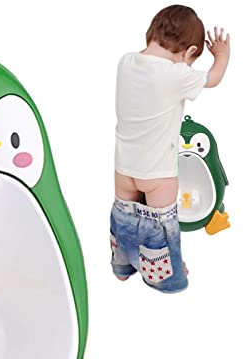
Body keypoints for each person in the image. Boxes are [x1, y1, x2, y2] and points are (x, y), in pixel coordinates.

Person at [110, 4, 230, 292]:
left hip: (124, 168)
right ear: (190, 52)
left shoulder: (126, 62)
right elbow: (213, 79)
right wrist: (222, 56)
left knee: (124, 221)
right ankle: (167, 276)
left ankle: (123, 267)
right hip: (158, 172)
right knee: (162, 232)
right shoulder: (177, 74)